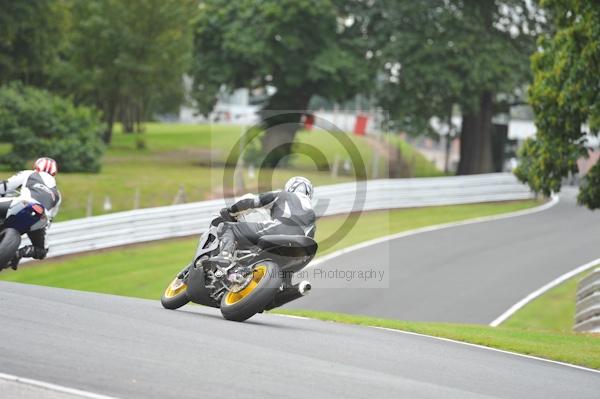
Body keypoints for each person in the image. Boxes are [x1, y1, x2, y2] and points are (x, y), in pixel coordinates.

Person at [212, 176, 316, 263]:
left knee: (227, 226)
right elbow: (309, 238)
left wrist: (230, 211)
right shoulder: (311, 213)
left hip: (277, 229)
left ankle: (225, 255)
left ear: (290, 187)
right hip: (297, 246)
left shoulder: (282, 195)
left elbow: (253, 202)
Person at [0, 157, 62, 269]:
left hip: (21, 204)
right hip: (40, 218)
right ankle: (18, 254)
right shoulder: (57, 195)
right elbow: (50, 220)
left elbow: (5, 186)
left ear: (36, 167)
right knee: (42, 251)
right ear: (54, 173)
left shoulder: (29, 174)